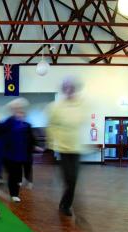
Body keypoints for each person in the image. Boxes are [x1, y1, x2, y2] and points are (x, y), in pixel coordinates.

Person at [47, 76, 85, 216]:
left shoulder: (79, 105)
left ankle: (65, 204)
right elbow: (51, 126)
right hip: (63, 149)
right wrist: (53, 142)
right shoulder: (56, 107)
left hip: (75, 148)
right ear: (64, 90)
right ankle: (65, 205)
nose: (69, 90)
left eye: (71, 87)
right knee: (68, 178)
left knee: (73, 180)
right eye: (67, 87)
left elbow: (82, 121)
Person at [0, 98, 36, 202]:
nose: (18, 110)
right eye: (15, 108)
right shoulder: (8, 122)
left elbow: (30, 138)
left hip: (21, 155)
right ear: (12, 110)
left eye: (19, 108)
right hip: (9, 154)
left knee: (17, 175)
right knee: (12, 174)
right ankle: (10, 192)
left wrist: (34, 147)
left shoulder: (26, 125)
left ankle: (14, 193)